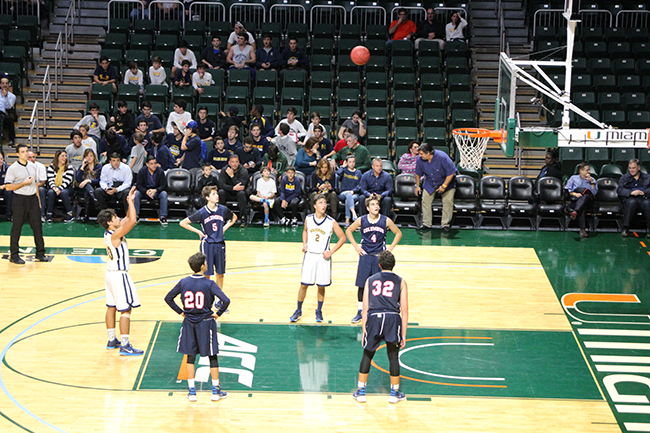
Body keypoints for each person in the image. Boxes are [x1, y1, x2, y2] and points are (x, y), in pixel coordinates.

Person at [164, 252, 230, 402]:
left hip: (189, 322)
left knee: (190, 356)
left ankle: (192, 392)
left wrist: (181, 312)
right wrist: (218, 313)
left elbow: (168, 298)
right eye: (206, 263)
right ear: (202, 266)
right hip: (206, 322)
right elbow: (225, 300)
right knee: (212, 356)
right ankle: (215, 391)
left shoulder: (183, 282)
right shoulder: (209, 283)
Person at [352, 250, 408, 404]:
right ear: (394, 264)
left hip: (374, 318)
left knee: (367, 353)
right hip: (392, 318)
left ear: (379, 265)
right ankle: (394, 393)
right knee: (393, 355)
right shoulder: (401, 281)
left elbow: (364, 309)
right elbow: (405, 310)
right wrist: (403, 334)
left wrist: (364, 330)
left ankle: (361, 392)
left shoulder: (370, 280)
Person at [97, 186, 144, 356]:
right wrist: (131, 202)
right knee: (125, 309)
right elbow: (131, 222)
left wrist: (129, 202)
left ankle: (112, 339)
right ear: (110, 222)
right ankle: (125, 344)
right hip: (119, 274)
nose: (119, 218)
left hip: (110, 274)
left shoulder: (110, 232)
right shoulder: (115, 235)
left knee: (111, 307)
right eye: (115, 217)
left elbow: (129, 218)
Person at [289, 193, 347, 323]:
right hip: (309, 255)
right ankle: (298, 310)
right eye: (320, 203)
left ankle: (319, 311)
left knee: (321, 286)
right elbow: (305, 231)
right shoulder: (309, 219)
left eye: (325, 203)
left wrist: (331, 251)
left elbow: (342, 238)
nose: (323, 205)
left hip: (323, 257)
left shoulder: (331, 222)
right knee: (304, 284)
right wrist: (304, 243)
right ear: (315, 206)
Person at [345, 194, 402, 324]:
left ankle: (378, 309)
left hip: (379, 257)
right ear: (367, 207)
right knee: (362, 285)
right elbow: (349, 231)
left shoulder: (385, 220)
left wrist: (390, 249)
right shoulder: (362, 220)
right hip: (365, 256)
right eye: (373, 205)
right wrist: (356, 247)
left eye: (377, 204)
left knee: (379, 285)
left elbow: (398, 233)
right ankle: (360, 311)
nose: (376, 207)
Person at [180, 186, 237, 290]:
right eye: (214, 194)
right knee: (206, 273)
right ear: (207, 197)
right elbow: (183, 223)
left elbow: (234, 217)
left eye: (217, 193)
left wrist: (224, 228)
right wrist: (199, 232)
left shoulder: (223, 209)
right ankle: (207, 294)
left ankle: (219, 297)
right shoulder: (202, 212)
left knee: (220, 273)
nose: (217, 196)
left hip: (220, 244)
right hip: (207, 244)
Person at [4, 144, 46, 264]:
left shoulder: (33, 166)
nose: (26, 153)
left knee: (37, 227)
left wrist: (38, 200)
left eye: (27, 151)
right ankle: (14, 255)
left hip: (32, 199)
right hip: (19, 200)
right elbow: (8, 187)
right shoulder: (12, 168)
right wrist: (22, 183)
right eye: (23, 152)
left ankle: (40, 253)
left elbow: (35, 185)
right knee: (16, 228)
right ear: (17, 154)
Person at [415, 143, 457, 233]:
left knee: (448, 201)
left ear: (428, 153)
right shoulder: (420, 160)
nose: (420, 155)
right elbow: (417, 173)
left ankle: (445, 224)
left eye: (422, 153)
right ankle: (426, 223)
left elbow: (451, 173)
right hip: (430, 182)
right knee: (425, 200)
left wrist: (444, 186)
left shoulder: (442, 157)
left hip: (446, 182)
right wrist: (417, 186)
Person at [617, 159, 650, 238]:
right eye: (630, 168)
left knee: (647, 203)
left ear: (638, 168)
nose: (631, 170)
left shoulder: (647, 177)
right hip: (630, 198)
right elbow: (619, 190)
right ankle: (626, 228)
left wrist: (644, 192)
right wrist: (630, 193)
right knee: (631, 202)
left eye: (634, 168)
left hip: (644, 198)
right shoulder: (624, 178)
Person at [566, 161, 598, 238]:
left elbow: (594, 193)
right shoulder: (573, 178)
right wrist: (575, 194)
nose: (589, 171)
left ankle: (575, 212)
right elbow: (567, 190)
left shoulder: (592, 179)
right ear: (581, 171)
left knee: (585, 197)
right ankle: (582, 230)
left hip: (589, 202)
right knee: (582, 206)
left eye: (589, 170)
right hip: (576, 200)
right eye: (587, 170)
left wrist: (592, 183)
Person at [134, 155, 168, 226]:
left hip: (156, 192)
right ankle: (136, 215)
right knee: (137, 193)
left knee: (164, 194)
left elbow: (164, 185)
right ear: (147, 164)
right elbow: (138, 185)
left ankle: (163, 216)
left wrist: (155, 190)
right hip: (145, 192)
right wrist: (146, 191)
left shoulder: (160, 171)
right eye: (151, 164)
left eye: (155, 163)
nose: (154, 165)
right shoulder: (142, 171)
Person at [218, 154, 249, 227]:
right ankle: (221, 218)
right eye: (232, 162)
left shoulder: (243, 171)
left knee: (241, 193)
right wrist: (232, 188)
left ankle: (243, 219)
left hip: (238, 194)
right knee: (221, 192)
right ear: (229, 163)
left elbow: (241, 187)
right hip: (228, 192)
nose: (234, 164)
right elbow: (221, 185)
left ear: (239, 162)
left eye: (236, 162)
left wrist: (232, 176)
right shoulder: (224, 170)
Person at [45, 150, 76, 222]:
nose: (64, 157)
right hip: (54, 187)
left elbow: (67, 181)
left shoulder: (69, 167)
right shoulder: (51, 167)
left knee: (63, 192)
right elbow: (50, 180)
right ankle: (49, 214)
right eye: (62, 156)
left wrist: (59, 188)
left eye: (65, 156)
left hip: (67, 187)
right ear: (57, 157)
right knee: (50, 192)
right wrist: (55, 188)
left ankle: (70, 213)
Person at [76, 148, 102, 223]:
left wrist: (88, 180)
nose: (89, 158)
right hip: (82, 188)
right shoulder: (82, 167)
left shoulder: (99, 167)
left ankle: (86, 215)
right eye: (87, 156)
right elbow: (78, 179)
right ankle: (94, 199)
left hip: (95, 188)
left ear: (94, 157)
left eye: (91, 155)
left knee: (87, 192)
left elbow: (99, 181)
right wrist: (83, 166)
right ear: (84, 158)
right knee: (86, 188)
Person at [337, 154, 362, 226]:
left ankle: (347, 220)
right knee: (348, 195)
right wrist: (343, 166)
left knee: (348, 198)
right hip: (343, 193)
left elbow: (360, 185)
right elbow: (337, 174)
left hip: (354, 194)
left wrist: (353, 191)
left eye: (353, 162)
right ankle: (353, 213)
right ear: (346, 162)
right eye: (350, 162)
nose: (352, 164)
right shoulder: (344, 171)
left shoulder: (358, 173)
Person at [26, 150, 48, 220]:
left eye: (33, 157)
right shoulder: (21, 167)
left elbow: (42, 182)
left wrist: (33, 186)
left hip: (37, 186)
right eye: (29, 157)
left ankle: (41, 214)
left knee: (41, 190)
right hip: (24, 187)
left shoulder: (41, 166)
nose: (32, 159)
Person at [0, 76, 16, 146]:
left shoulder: (12, 96)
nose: (4, 85)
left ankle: (12, 140)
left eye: (6, 83)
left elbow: (9, 107)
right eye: (3, 83)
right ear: (0, 85)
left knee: (9, 120)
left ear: (8, 85)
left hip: (2, 114)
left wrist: (6, 97)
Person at [0, 151, 13, 220]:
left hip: (5, 187)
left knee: (9, 191)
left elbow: (11, 181)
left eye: (1, 159)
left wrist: (3, 186)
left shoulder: (8, 168)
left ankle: (9, 215)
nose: (0, 161)